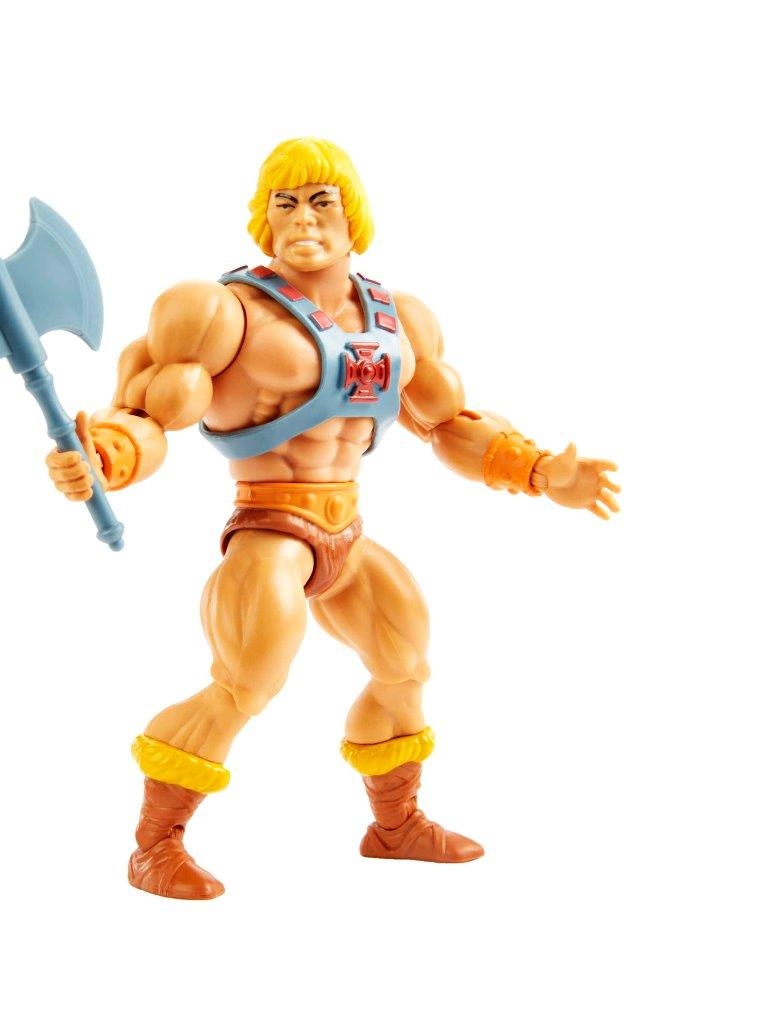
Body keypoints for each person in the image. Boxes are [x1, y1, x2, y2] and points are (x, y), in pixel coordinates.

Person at [46, 138, 619, 900]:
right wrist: (106, 456)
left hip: (345, 531)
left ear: (355, 218)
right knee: (246, 683)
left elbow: (449, 424)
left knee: (405, 664)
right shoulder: (220, 312)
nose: (303, 219)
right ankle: (155, 844)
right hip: (269, 530)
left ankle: (395, 826)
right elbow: (149, 413)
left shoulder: (396, 319)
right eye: (283, 203)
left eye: (321, 202)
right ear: (263, 220)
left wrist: (541, 471)